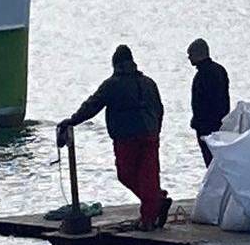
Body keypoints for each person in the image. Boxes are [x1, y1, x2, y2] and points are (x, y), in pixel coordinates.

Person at [58, 45, 169, 229]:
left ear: (115, 64)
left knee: (126, 175)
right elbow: (159, 109)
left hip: (126, 138)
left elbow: (92, 106)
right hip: (150, 135)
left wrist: (72, 121)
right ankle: (153, 208)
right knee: (149, 176)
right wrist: (156, 130)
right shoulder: (149, 83)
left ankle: (152, 211)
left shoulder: (113, 84)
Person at [188, 38, 230, 166]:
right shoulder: (219, 70)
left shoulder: (203, 75)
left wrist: (198, 122)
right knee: (219, 161)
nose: (189, 58)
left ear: (198, 54)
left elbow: (202, 103)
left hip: (206, 126)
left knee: (211, 162)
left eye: (191, 54)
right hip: (220, 124)